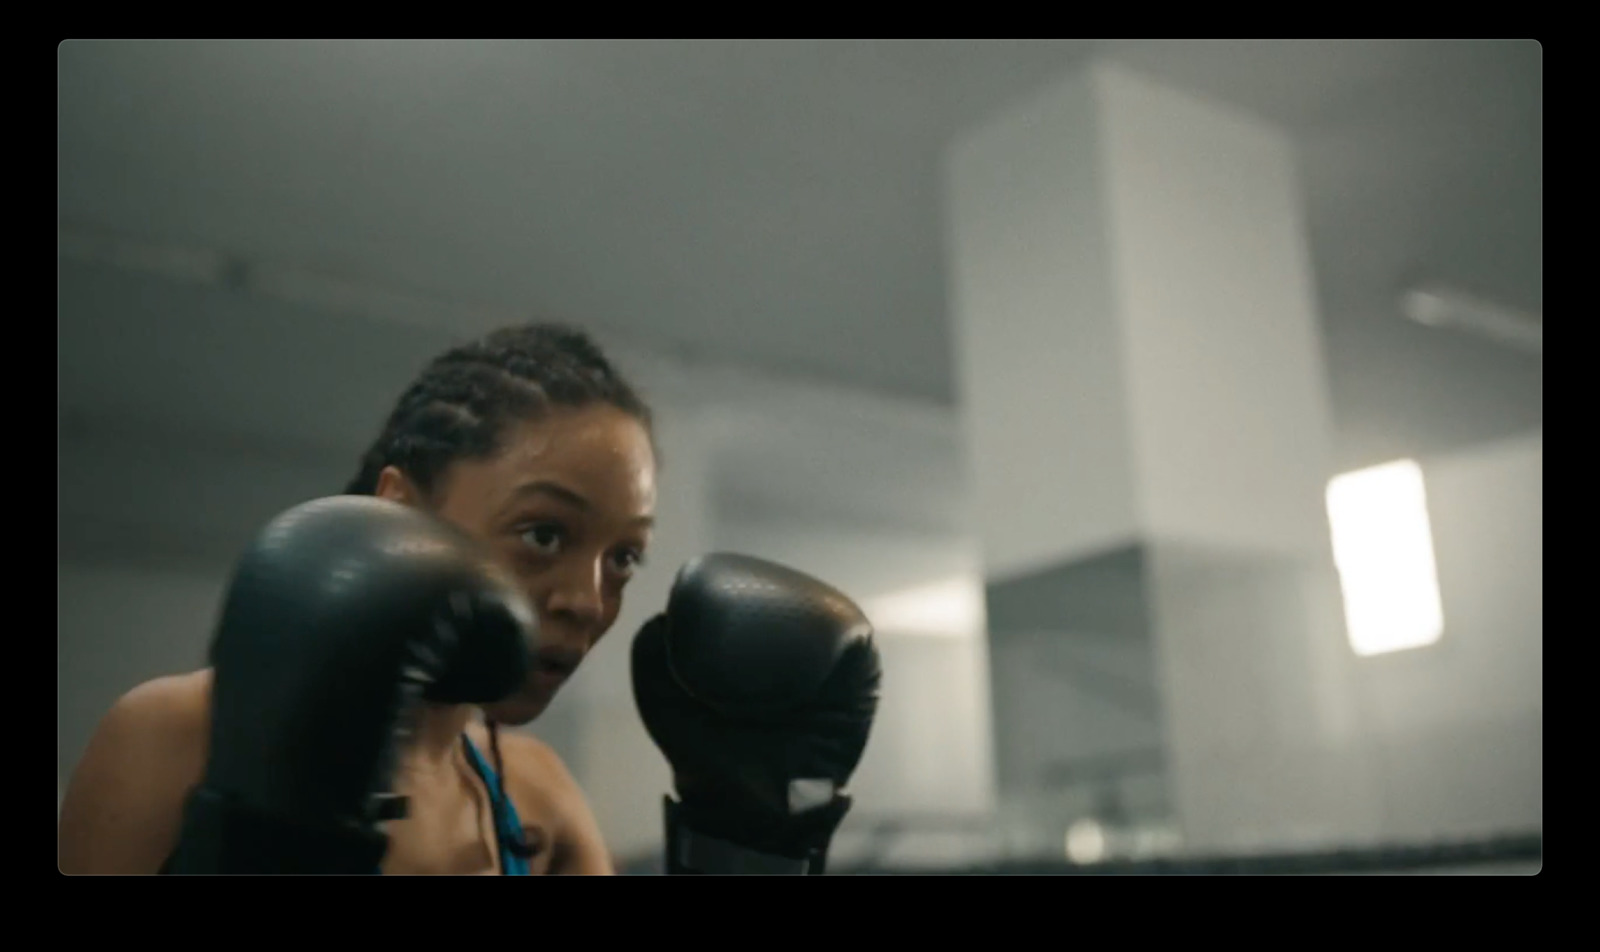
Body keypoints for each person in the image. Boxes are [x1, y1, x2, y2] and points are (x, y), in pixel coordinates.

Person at [58, 323, 880, 875]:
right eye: (545, 534)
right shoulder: (176, 734)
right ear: (401, 510)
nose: (587, 602)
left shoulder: (538, 797)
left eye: (624, 556)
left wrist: (744, 846)